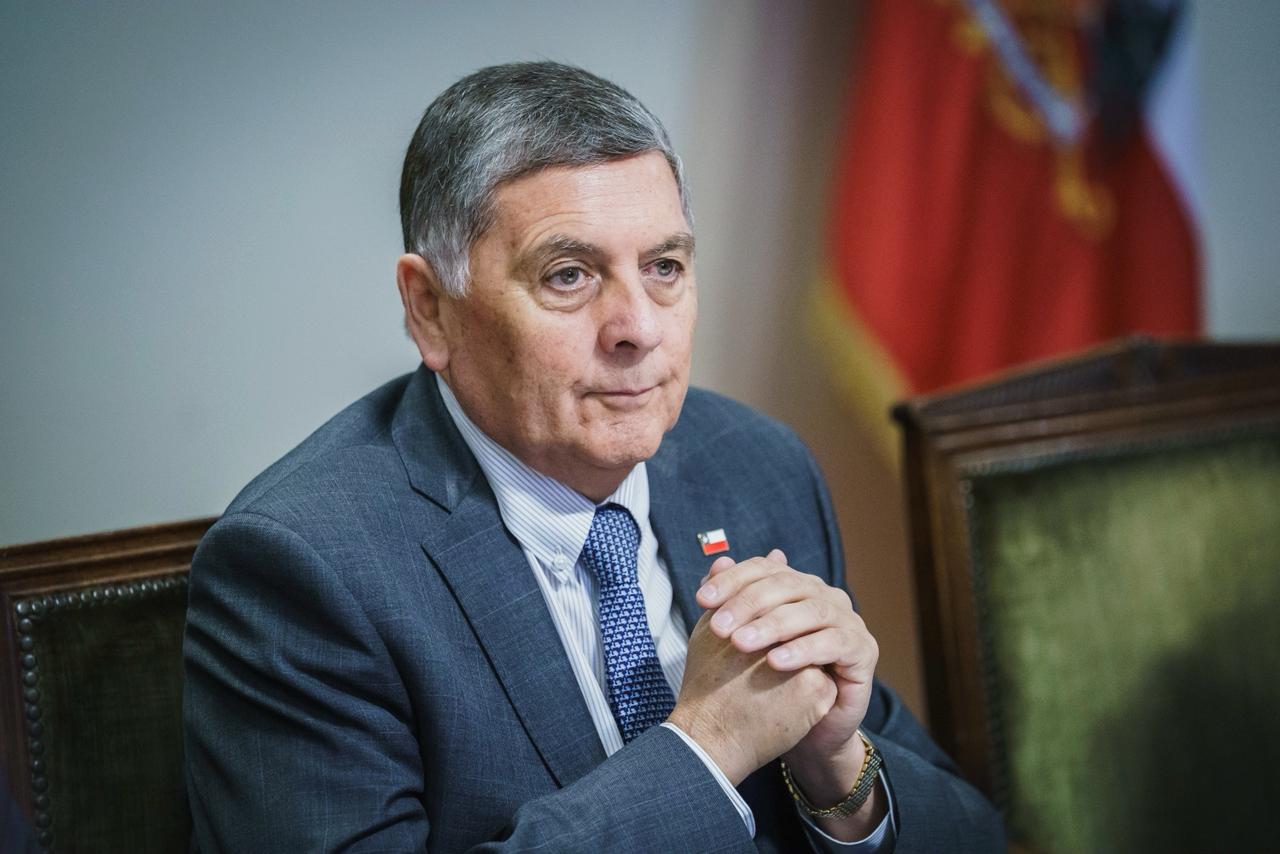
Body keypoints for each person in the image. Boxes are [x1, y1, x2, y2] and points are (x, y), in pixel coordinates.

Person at [182, 61, 1003, 852]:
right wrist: (706, 750)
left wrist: (838, 771)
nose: (638, 328)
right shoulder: (307, 569)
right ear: (430, 309)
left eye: (664, 268)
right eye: (569, 275)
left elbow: (973, 834)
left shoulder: (754, 465)